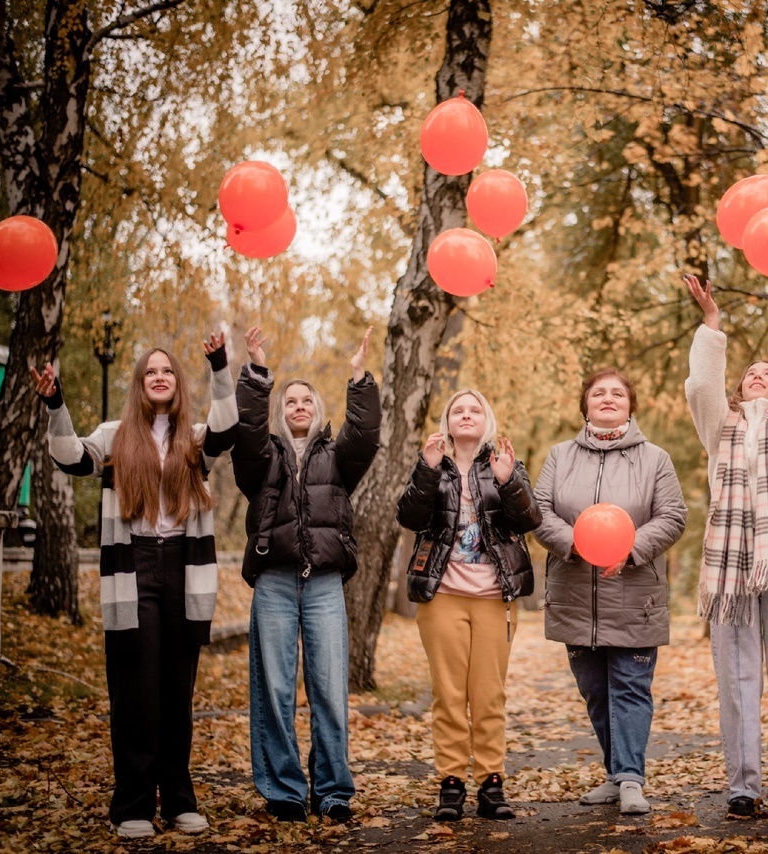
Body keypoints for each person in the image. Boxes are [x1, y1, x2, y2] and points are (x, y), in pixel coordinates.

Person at [32, 333, 238, 839]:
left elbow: (227, 430)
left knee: (176, 692)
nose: (160, 377)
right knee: (136, 694)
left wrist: (219, 365)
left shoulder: (193, 437)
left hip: (184, 569)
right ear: (140, 383)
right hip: (133, 568)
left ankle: (180, 802)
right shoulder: (114, 435)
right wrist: (55, 403)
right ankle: (133, 806)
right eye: (151, 371)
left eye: (167, 370)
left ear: (177, 381)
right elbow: (68, 456)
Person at [231, 325, 381, 824]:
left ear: (318, 411)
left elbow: (365, 436)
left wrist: (359, 379)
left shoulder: (337, 457)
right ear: (281, 410)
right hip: (274, 580)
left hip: (322, 584)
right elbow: (246, 435)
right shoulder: (263, 457)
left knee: (329, 686)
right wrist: (255, 372)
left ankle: (333, 791)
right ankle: (284, 792)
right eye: (290, 400)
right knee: (273, 688)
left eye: (306, 400)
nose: (298, 406)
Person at [683, 271, 768, 818]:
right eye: (750, 374)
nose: (759, 377)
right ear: (738, 389)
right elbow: (699, 388)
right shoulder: (721, 428)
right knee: (736, 677)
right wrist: (711, 326)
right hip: (730, 561)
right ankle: (742, 784)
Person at [534, 368, 687, 816]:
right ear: (585, 404)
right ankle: (615, 773)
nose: (607, 398)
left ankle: (631, 779)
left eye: (617, 393)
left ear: (630, 405)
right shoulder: (560, 456)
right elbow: (539, 511)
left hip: (633, 593)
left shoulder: (655, 458)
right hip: (575, 594)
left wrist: (631, 547)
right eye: (598, 392)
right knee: (596, 693)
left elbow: (673, 515)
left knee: (630, 688)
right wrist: (576, 544)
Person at [397, 389, 541, 822]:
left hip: (494, 596)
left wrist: (507, 480)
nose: (466, 414)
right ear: (447, 420)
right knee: (448, 693)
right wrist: (426, 469)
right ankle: (452, 782)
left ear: (486, 420)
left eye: (474, 409)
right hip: (442, 595)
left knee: (488, 693)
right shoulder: (433, 464)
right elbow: (409, 517)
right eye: (458, 409)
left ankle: (491, 782)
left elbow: (530, 519)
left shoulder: (503, 463)